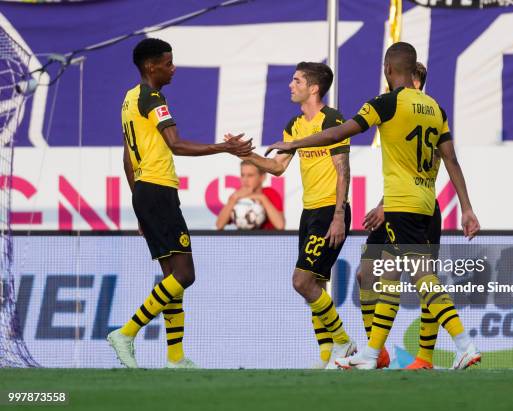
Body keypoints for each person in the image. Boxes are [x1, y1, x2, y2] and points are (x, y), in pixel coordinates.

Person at [266, 42, 481, 370]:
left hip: (400, 203)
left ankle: (463, 344)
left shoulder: (386, 103)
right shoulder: (436, 108)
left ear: (388, 70)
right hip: (423, 201)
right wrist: (466, 208)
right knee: (381, 275)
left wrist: (295, 142)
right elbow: (450, 157)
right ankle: (371, 353)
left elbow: (340, 131)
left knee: (422, 277)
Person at [107, 38, 253, 369]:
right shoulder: (153, 99)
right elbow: (177, 144)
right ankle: (126, 333)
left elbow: (127, 160)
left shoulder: (129, 100)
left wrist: (138, 206)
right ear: (150, 66)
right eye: (168, 63)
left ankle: (174, 357)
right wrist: (224, 148)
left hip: (145, 192)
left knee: (171, 275)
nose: (173, 68)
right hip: (159, 191)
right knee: (185, 274)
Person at [225, 62, 356, 369]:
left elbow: (343, 173)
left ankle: (344, 343)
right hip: (309, 213)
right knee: (316, 285)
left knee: (301, 281)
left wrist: (339, 214)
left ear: (314, 88)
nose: (290, 85)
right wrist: (241, 153)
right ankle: (327, 357)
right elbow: (278, 167)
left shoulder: (332, 121)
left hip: (329, 211)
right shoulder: (294, 125)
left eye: (297, 80)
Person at [358, 61, 442, 370]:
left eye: (413, 79)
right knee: (366, 274)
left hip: (418, 207)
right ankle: (375, 352)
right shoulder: (394, 109)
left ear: (418, 82)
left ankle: (425, 357)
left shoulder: (431, 113)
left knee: (423, 281)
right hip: (391, 204)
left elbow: (425, 169)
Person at [216, 160, 285, 230]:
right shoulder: (236, 196)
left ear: (262, 177)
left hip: (266, 239)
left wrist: (262, 198)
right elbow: (219, 225)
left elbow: (280, 225)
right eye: (242, 175)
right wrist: (233, 199)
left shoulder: (271, 194)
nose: (245, 180)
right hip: (243, 239)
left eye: (250, 175)